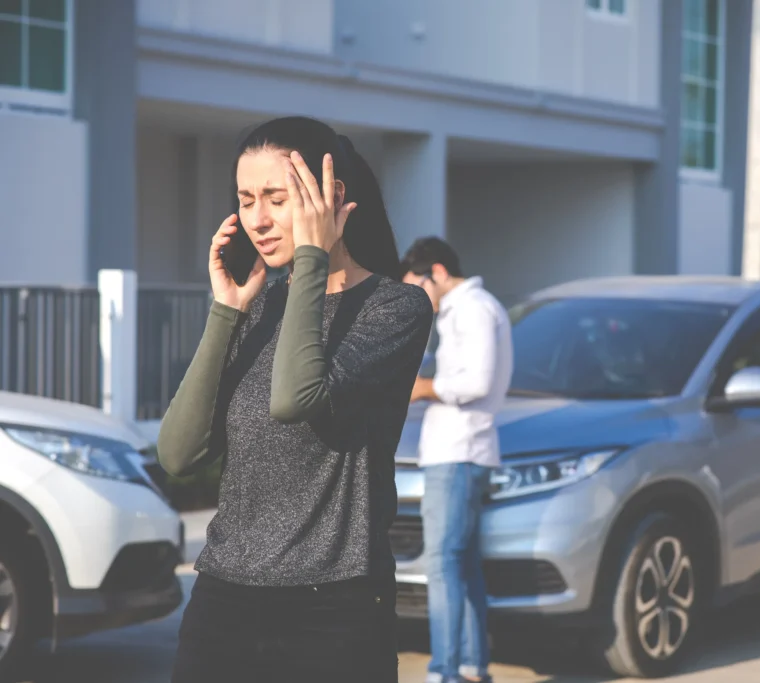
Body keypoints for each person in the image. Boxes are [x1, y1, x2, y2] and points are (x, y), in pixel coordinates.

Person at [157, 116, 434, 683]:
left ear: (330, 198)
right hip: (222, 602)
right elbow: (178, 454)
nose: (257, 218)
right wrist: (227, 311)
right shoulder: (256, 308)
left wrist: (310, 258)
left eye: (277, 199)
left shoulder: (396, 308)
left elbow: (294, 399)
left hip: (333, 611)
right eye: (246, 199)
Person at [402, 237, 513, 683]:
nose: (415, 300)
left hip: (458, 453)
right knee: (462, 564)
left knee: (443, 565)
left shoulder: (471, 309)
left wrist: (423, 387)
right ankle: (469, 665)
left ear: (439, 272)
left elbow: (477, 381)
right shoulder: (469, 309)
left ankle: (444, 672)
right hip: (463, 452)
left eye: (417, 288)